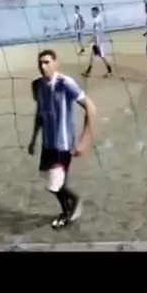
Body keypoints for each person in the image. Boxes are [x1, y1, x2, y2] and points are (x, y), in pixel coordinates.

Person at [28, 49, 96, 229]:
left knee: (55, 184)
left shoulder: (66, 83)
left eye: (47, 62)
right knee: (52, 181)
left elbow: (90, 106)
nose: (43, 66)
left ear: (56, 63)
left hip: (64, 144)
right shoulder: (37, 85)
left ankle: (73, 203)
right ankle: (67, 210)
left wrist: (85, 139)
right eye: (40, 63)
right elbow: (40, 113)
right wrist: (34, 139)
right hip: (48, 144)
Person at [82, 6, 112, 78]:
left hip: (99, 43)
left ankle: (109, 71)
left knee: (102, 57)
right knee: (92, 56)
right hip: (97, 42)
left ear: (96, 12)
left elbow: (96, 32)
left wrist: (91, 40)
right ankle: (88, 71)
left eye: (92, 12)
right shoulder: (98, 20)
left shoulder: (97, 21)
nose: (91, 14)